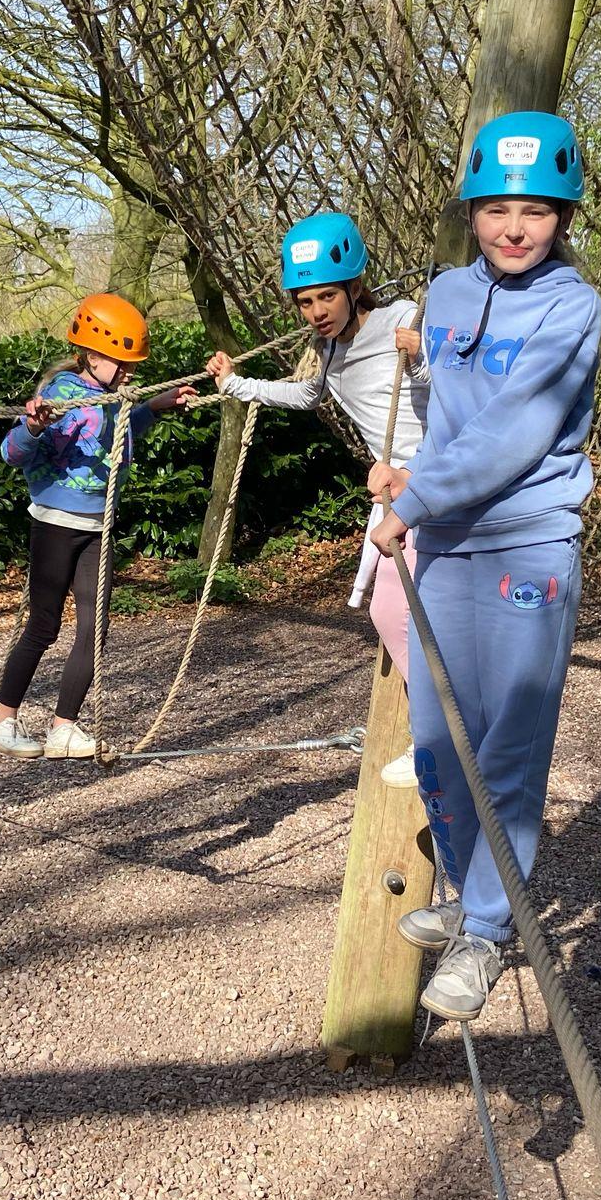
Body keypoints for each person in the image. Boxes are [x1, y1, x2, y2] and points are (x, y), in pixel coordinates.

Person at [366, 110, 601, 1022]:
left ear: (563, 217)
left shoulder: (573, 306)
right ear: (470, 210)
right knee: (436, 737)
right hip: (446, 541)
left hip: (526, 543)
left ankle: (490, 931)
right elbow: (452, 413)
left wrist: (414, 500)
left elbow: (515, 430)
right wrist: (412, 475)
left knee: (507, 743)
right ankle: (467, 894)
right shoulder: (447, 294)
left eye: (536, 210)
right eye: (498, 207)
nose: (514, 227)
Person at [205, 211, 430, 787]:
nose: (316, 312)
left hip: (435, 478)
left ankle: (438, 736)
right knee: (392, 612)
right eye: (305, 302)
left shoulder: (405, 318)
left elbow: (463, 385)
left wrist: (424, 356)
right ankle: (439, 734)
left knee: (410, 611)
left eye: (327, 296)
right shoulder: (326, 350)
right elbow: (306, 396)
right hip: (395, 488)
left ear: (355, 287)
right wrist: (235, 385)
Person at [0, 293, 195, 760]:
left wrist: (154, 407)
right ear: (92, 355)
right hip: (57, 524)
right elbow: (11, 452)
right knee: (44, 626)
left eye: (132, 364)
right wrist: (33, 426)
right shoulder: (63, 395)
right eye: (122, 362)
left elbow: (114, 431)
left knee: (94, 629)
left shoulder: (113, 396)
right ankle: (1, 720)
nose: (129, 372)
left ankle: (63, 728)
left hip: (98, 525)